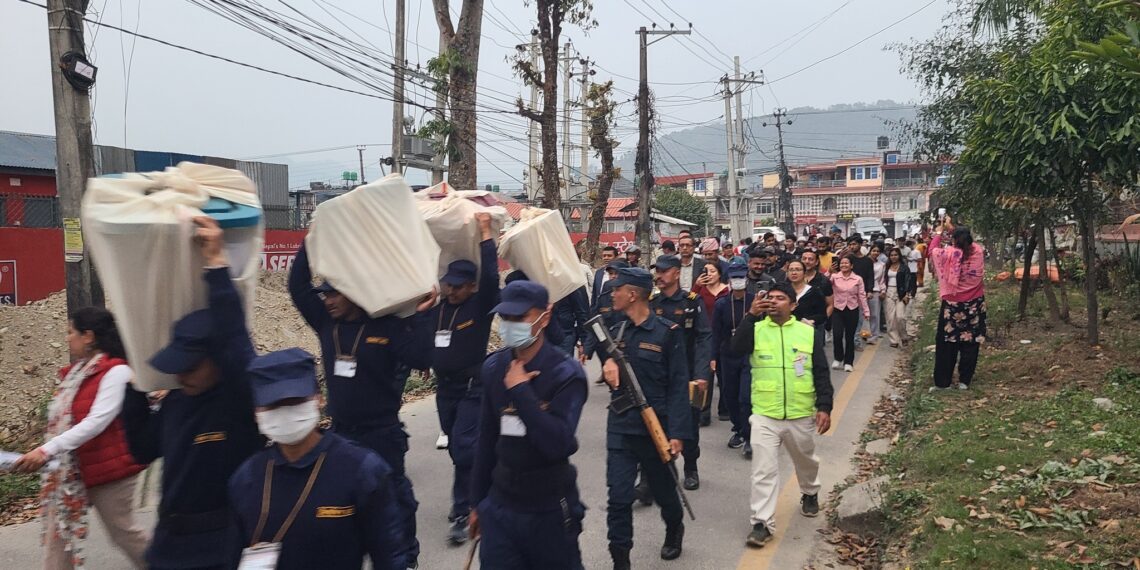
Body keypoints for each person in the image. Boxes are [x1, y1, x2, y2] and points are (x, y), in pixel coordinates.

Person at [119, 216, 264, 570]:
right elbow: (141, 448)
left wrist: (216, 262)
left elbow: (234, 340)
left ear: (218, 360)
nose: (181, 374)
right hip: (170, 544)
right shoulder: (177, 402)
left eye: (190, 365)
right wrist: (132, 376)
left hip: (225, 544)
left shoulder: (240, 400)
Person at [289, 235, 438, 568]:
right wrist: (310, 242)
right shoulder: (326, 324)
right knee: (341, 505)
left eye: (334, 293)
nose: (327, 300)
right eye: (324, 293)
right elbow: (296, 285)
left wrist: (426, 314)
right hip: (340, 434)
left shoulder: (385, 327)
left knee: (395, 501)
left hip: (381, 433)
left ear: (355, 292)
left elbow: (422, 356)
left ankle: (405, 559)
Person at [228, 349, 402, 570]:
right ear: (256, 412)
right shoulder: (246, 480)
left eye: (295, 400)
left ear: (319, 398)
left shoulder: (361, 470)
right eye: (273, 405)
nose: (285, 412)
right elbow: (233, 556)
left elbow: (389, 555)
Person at [12, 307, 147, 569]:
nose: (67, 338)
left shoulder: (115, 371)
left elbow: (97, 421)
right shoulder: (76, 374)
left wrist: (47, 450)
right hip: (71, 472)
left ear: (88, 336)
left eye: (70, 332)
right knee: (58, 537)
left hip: (110, 472)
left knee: (125, 534)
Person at [468, 281, 589, 569]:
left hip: (548, 508)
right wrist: (477, 503)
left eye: (519, 318)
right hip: (500, 506)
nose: (510, 326)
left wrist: (522, 392)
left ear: (544, 317)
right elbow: (486, 439)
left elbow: (556, 444)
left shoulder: (566, 374)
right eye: (505, 318)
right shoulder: (494, 368)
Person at [729, 281, 833, 548]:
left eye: (780, 298)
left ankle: (810, 492)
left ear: (793, 305)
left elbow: (820, 371)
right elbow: (734, 350)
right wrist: (750, 314)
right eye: (770, 297)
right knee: (763, 471)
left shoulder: (806, 332)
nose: (773, 302)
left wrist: (824, 406)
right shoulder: (755, 329)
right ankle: (761, 523)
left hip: (800, 413)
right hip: (765, 414)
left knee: (806, 460)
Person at [602, 267, 691, 568]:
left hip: (657, 429)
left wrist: (678, 433)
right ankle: (621, 559)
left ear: (633, 294)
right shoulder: (616, 333)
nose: (612, 294)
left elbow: (679, 385)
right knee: (618, 498)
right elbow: (606, 357)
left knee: (665, 491)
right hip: (622, 429)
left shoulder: (667, 333)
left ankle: (674, 526)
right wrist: (609, 363)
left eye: (617, 289)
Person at [424, 213, 502, 544]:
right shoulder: (437, 307)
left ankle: (464, 511)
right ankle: (489, 480)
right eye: (448, 284)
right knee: (458, 447)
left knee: (464, 447)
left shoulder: (480, 305)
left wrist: (485, 233)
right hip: (445, 389)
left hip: (474, 388)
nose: (451, 290)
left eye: (458, 286)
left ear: (471, 286)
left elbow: (492, 277)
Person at [650, 255, 712, 487]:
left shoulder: (691, 301)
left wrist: (702, 374)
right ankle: (656, 473)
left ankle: (691, 468)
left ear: (676, 273)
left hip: (690, 377)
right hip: (660, 376)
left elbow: (704, 337)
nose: (659, 276)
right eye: (657, 272)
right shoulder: (652, 303)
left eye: (664, 272)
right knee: (656, 422)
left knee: (690, 425)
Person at [928, 219, 986, 391]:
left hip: (952, 306)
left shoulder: (949, 254)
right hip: (974, 304)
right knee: (971, 342)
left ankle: (943, 382)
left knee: (946, 343)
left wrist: (940, 232)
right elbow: (966, 241)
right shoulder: (978, 252)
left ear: (954, 241)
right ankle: (964, 381)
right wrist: (954, 229)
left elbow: (932, 250)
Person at [711, 265, 754, 458]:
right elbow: (716, 333)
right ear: (729, 280)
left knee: (746, 397)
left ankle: (749, 436)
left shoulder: (754, 301)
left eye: (741, 278)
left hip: (749, 354)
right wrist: (712, 357)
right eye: (734, 278)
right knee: (730, 395)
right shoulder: (722, 304)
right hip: (727, 355)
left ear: (746, 279)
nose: (738, 281)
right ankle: (738, 428)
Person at [692, 262, 730, 422]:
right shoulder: (700, 290)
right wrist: (696, 286)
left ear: (720, 273)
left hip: (724, 336)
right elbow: (689, 303)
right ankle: (701, 412)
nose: (709, 274)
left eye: (713, 271)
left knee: (724, 375)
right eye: (706, 271)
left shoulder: (727, 290)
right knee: (703, 374)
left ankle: (725, 408)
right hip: (704, 336)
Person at [829, 257, 870, 372]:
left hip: (852, 310)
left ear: (851, 265)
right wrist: (829, 271)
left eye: (846, 263)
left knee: (850, 337)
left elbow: (862, 295)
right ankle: (838, 358)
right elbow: (825, 284)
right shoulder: (834, 277)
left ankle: (848, 362)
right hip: (838, 309)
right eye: (842, 263)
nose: (844, 265)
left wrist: (866, 311)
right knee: (837, 335)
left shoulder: (858, 279)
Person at [845, 235, 875, 351]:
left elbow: (870, 276)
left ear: (860, 244)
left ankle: (856, 341)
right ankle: (849, 340)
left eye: (854, 244)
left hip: (861, 293)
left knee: (859, 319)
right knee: (848, 319)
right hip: (847, 293)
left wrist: (870, 290)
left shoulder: (867, 261)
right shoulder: (847, 259)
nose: (852, 247)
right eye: (850, 244)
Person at [882, 248, 916, 348]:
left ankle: (904, 337)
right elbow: (883, 280)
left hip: (901, 294)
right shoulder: (887, 267)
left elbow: (909, 281)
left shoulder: (904, 268)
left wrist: (907, 294)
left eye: (895, 255)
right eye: (891, 255)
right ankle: (894, 340)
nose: (893, 257)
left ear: (899, 256)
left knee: (900, 317)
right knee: (890, 318)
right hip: (889, 293)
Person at [787, 260, 829, 333]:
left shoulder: (814, 292)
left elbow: (822, 315)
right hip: (786, 330)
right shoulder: (783, 291)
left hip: (806, 331)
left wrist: (811, 320)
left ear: (804, 273)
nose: (794, 273)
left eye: (798, 270)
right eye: (791, 270)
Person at [867, 245, 885, 346]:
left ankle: (874, 335)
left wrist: (883, 290)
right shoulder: (864, 262)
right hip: (864, 290)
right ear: (870, 251)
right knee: (864, 314)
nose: (875, 253)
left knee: (874, 314)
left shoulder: (881, 264)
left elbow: (882, 279)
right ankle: (865, 333)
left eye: (878, 251)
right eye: (873, 251)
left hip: (876, 290)